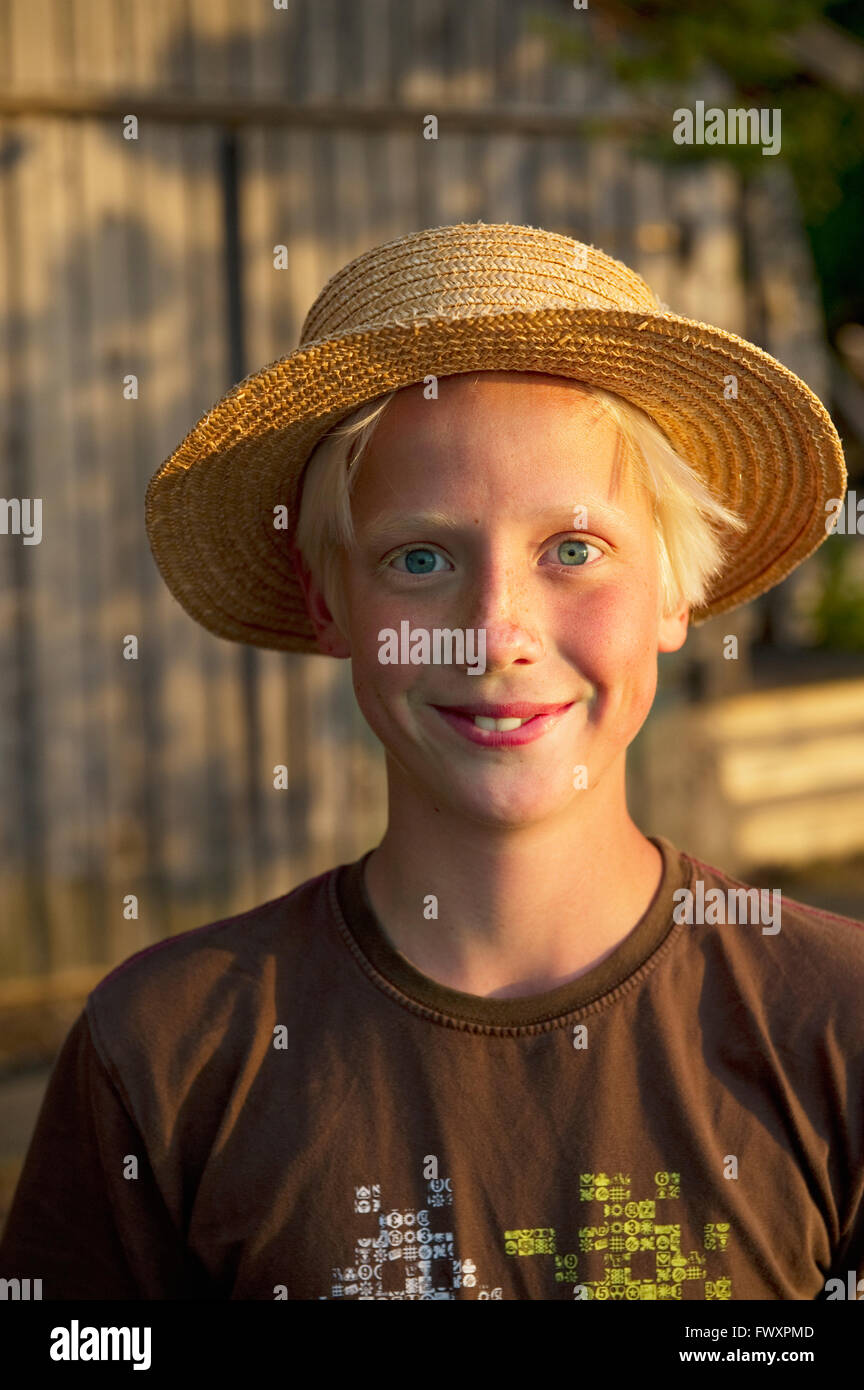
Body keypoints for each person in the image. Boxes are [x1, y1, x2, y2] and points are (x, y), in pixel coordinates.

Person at [2, 222, 862, 1301]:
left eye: (575, 551)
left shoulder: (836, 1026)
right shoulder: (166, 1055)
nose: (495, 633)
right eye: (419, 557)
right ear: (332, 604)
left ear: (675, 592)